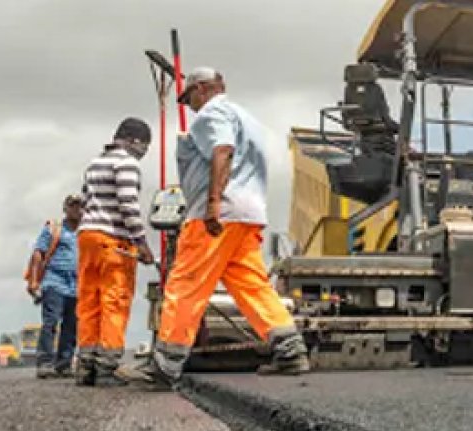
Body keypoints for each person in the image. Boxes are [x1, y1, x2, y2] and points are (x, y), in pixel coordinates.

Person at [118, 67, 309, 390]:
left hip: (216, 216)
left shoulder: (211, 114)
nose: (189, 105)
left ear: (203, 88)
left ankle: (165, 366)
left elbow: (223, 150)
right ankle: (290, 351)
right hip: (248, 215)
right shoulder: (248, 118)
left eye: (189, 96)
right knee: (251, 285)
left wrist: (212, 203)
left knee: (185, 284)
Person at [75, 117, 156, 386]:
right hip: (113, 241)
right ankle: (107, 367)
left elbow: (85, 200)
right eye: (145, 145)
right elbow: (128, 205)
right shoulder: (127, 164)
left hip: (88, 237)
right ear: (135, 141)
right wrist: (142, 243)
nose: (144, 151)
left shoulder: (94, 163)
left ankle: (86, 366)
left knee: (89, 301)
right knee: (115, 301)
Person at [24, 194, 84, 378]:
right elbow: (38, 254)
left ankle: (64, 363)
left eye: (80, 206)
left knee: (71, 325)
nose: (77, 210)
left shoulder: (86, 232)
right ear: (65, 208)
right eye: (73, 206)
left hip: (77, 284)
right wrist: (34, 281)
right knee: (50, 322)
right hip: (54, 281)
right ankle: (45, 363)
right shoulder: (54, 229)